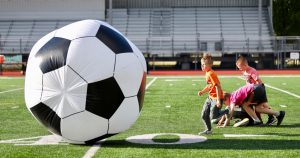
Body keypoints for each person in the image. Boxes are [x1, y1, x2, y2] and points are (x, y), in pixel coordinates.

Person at [219, 83, 285, 128]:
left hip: (255, 89)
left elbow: (231, 110)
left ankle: (257, 121)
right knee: (258, 109)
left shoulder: (233, 98)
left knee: (245, 105)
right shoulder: (233, 94)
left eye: (224, 103)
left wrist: (225, 124)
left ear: (227, 99)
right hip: (260, 88)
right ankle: (278, 113)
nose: (225, 104)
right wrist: (222, 120)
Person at [236, 56, 276, 125]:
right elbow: (248, 82)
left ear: (245, 65)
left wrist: (257, 92)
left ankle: (271, 116)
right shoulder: (245, 71)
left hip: (257, 90)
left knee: (262, 105)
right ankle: (265, 118)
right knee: (261, 105)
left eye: (240, 67)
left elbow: (257, 81)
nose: (239, 69)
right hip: (252, 91)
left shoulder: (252, 71)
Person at [197, 53, 228, 135]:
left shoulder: (211, 73)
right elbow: (210, 86)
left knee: (213, 116)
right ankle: (209, 130)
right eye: (201, 64)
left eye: (204, 65)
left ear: (210, 65)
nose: (202, 66)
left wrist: (218, 100)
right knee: (204, 114)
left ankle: (227, 111)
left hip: (216, 98)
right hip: (210, 97)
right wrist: (202, 91)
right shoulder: (207, 73)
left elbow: (217, 87)